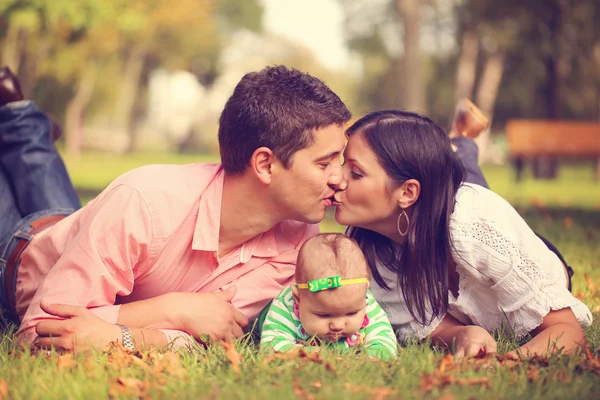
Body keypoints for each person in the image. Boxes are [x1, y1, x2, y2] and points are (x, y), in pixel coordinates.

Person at [0, 65, 351, 351]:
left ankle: (20, 117)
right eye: (325, 164)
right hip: (19, 258)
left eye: (341, 160)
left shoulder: (297, 240)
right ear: (264, 165)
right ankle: (20, 119)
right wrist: (174, 310)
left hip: (79, 233)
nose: (340, 178)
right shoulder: (144, 202)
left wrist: (125, 335)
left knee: (49, 186)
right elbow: (40, 332)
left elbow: (213, 333)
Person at [332, 109, 593, 358]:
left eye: (355, 173)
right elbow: (430, 327)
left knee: (466, 193)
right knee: (452, 181)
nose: (336, 178)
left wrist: (510, 361)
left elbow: (567, 331)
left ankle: (462, 141)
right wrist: (465, 334)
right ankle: (461, 142)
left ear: (407, 192)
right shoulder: (364, 247)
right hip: (433, 212)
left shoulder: (478, 226)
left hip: (512, 244)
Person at [260, 233, 397, 360]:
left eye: (351, 313)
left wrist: (373, 355)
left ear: (364, 293)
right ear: (298, 298)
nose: (337, 325)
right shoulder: (285, 306)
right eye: (324, 315)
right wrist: (308, 354)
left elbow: (384, 336)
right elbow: (271, 346)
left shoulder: (365, 301)